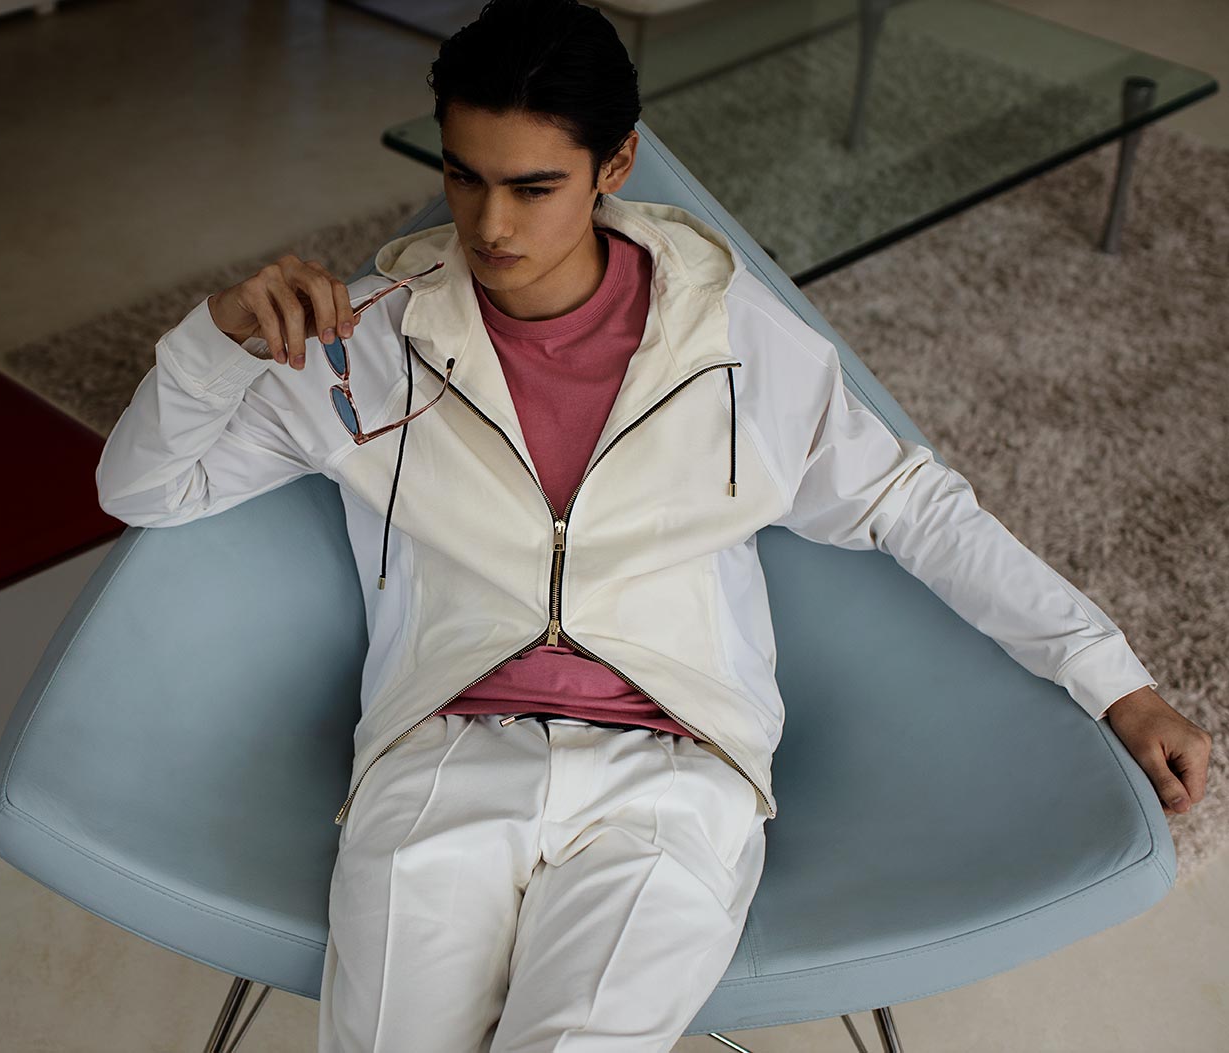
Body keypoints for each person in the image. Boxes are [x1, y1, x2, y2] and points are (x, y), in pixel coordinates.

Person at [95, 1, 1213, 1049]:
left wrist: (1115, 680)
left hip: (674, 768)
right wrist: (216, 339)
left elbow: (913, 508)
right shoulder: (366, 348)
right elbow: (144, 489)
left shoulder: (730, 339)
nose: (488, 225)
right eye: (463, 176)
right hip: (442, 753)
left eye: (533, 187)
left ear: (614, 166)